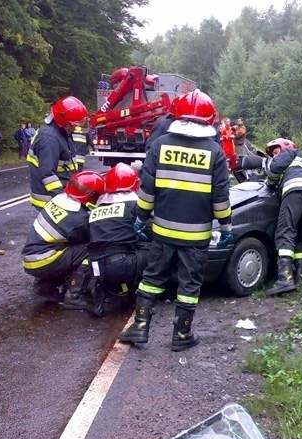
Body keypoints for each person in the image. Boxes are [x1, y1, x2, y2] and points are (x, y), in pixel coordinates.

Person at [120, 89, 234, 349]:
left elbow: (147, 191)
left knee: (152, 277)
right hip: (197, 236)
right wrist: (226, 226)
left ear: (177, 116)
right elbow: (220, 198)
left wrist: (140, 220)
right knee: (189, 283)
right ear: (208, 119)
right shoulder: (215, 152)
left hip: (162, 231)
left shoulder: (160, 146)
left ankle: (140, 328)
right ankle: (181, 335)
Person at [21, 170, 105, 308]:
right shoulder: (78, 219)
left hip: (31, 258)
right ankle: (74, 295)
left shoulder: (59, 199)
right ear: (89, 194)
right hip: (45, 260)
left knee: (65, 249)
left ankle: (44, 285)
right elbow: (93, 237)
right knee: (93, 249)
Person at [87, 163, 150, 317]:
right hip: (121, 265)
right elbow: (149, 230)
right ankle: (145, 296)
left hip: (96, 267)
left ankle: (100, 292)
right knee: (157, 248)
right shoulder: (135, 205)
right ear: (135, 184)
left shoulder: (97, 207)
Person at [264, 138, 302, 295]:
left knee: (285, 232)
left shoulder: (290, 153)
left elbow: (274, 169)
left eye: (276, 152)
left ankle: (285, 279)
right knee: (300, 237)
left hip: (295, 189)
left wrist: (270, 182)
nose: (275, 156)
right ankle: (299, 276)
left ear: (284, 148)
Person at [27, 96, 88, 209]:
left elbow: (67, 167)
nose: (76, 128)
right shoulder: (50, 139)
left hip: (56, 194)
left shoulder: (61, 132)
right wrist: (63, 198)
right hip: (48, 199)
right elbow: (48, 175)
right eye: (74, 125)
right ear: (64, 121)